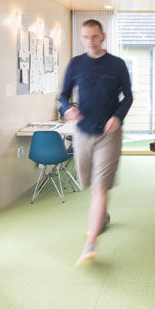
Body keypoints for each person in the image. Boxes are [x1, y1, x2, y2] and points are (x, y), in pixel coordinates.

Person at [59, 19, 132, 266]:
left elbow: (128, 96)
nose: (90, 41)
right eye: (86, 37)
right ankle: (102, 216)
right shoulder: (76, 64)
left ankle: (90, 243)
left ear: (103, 36)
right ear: (82, 38)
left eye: (94, 37)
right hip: (82, 132)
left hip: (109, 134)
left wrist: (118, 117)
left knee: (101, 188)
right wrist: (67, 109)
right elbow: (63, 95)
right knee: (89, 184)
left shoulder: (117, 65)